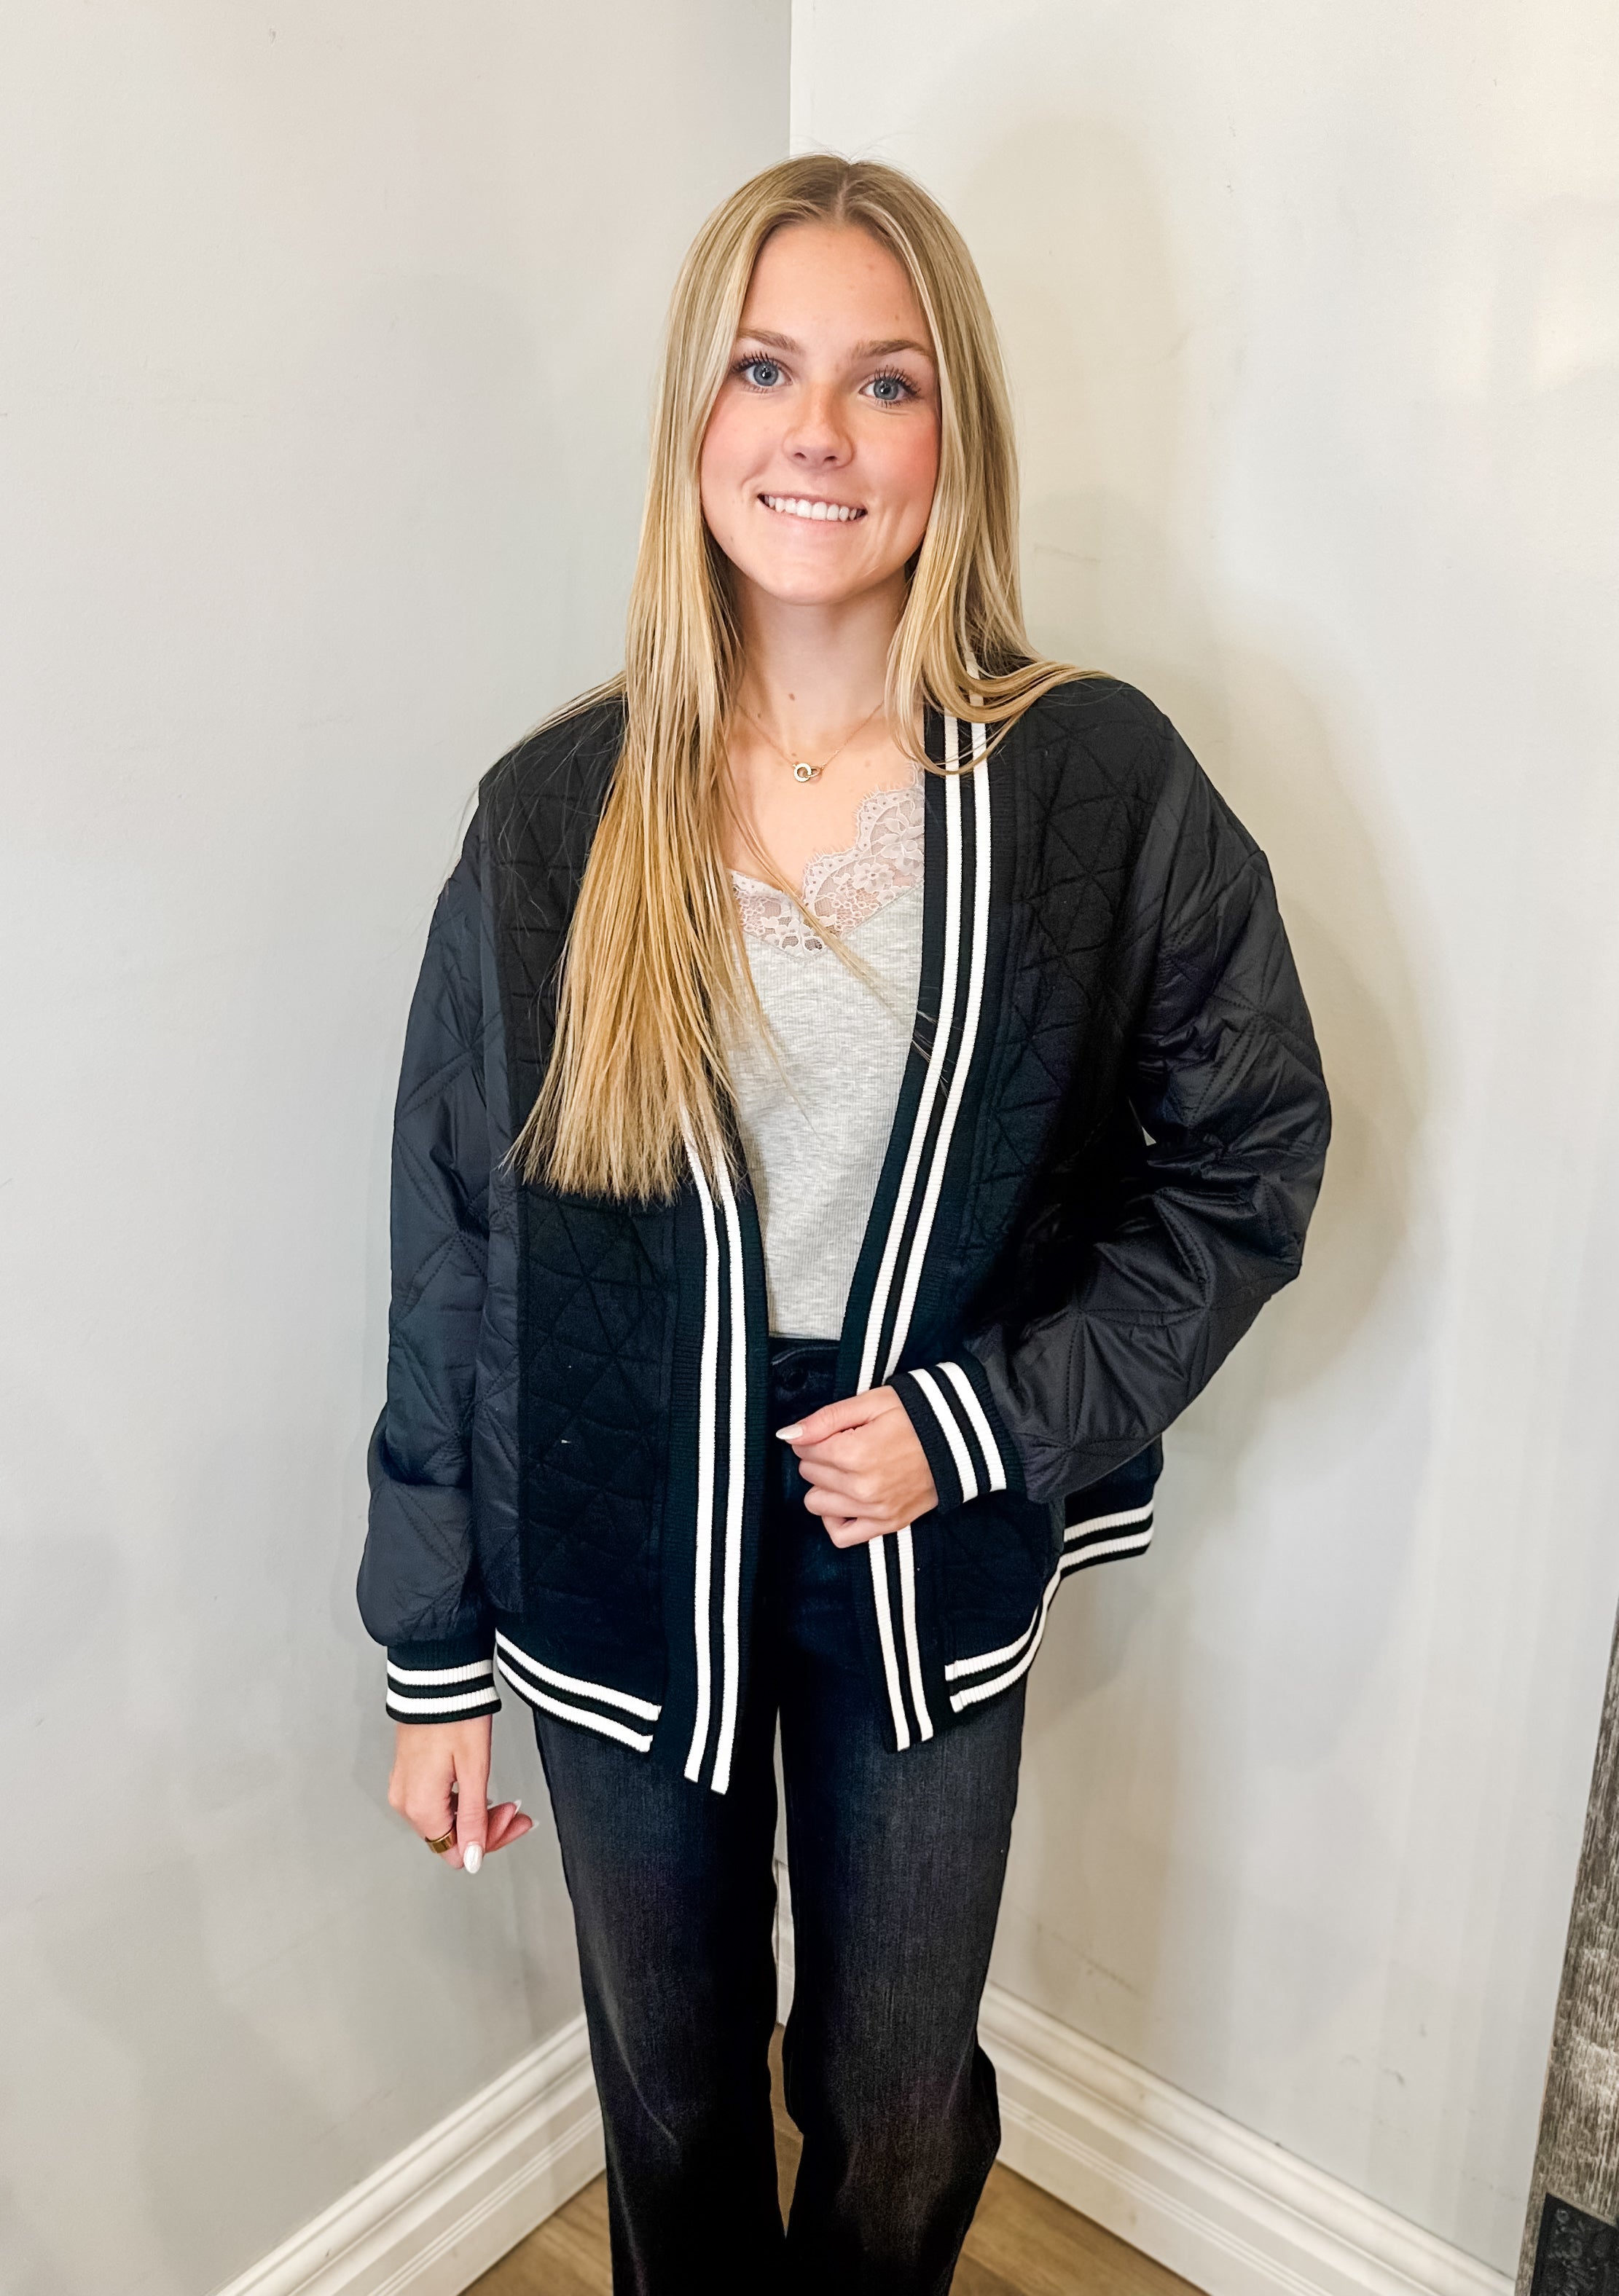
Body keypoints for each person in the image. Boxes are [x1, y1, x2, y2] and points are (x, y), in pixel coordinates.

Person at [357, 154, 1330, 2295]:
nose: (819, 432)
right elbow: (451, 1246)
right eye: (764, 370)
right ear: (693, 416)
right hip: (617, 1533)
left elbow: (1247, 1152)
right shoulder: (553, 815)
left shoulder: (1091, 785)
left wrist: (982, 1424)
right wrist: (432, 1657)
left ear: (953, 430)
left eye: (886, 382)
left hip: (920, 1530)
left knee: (894, 2098)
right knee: (673, 2087)